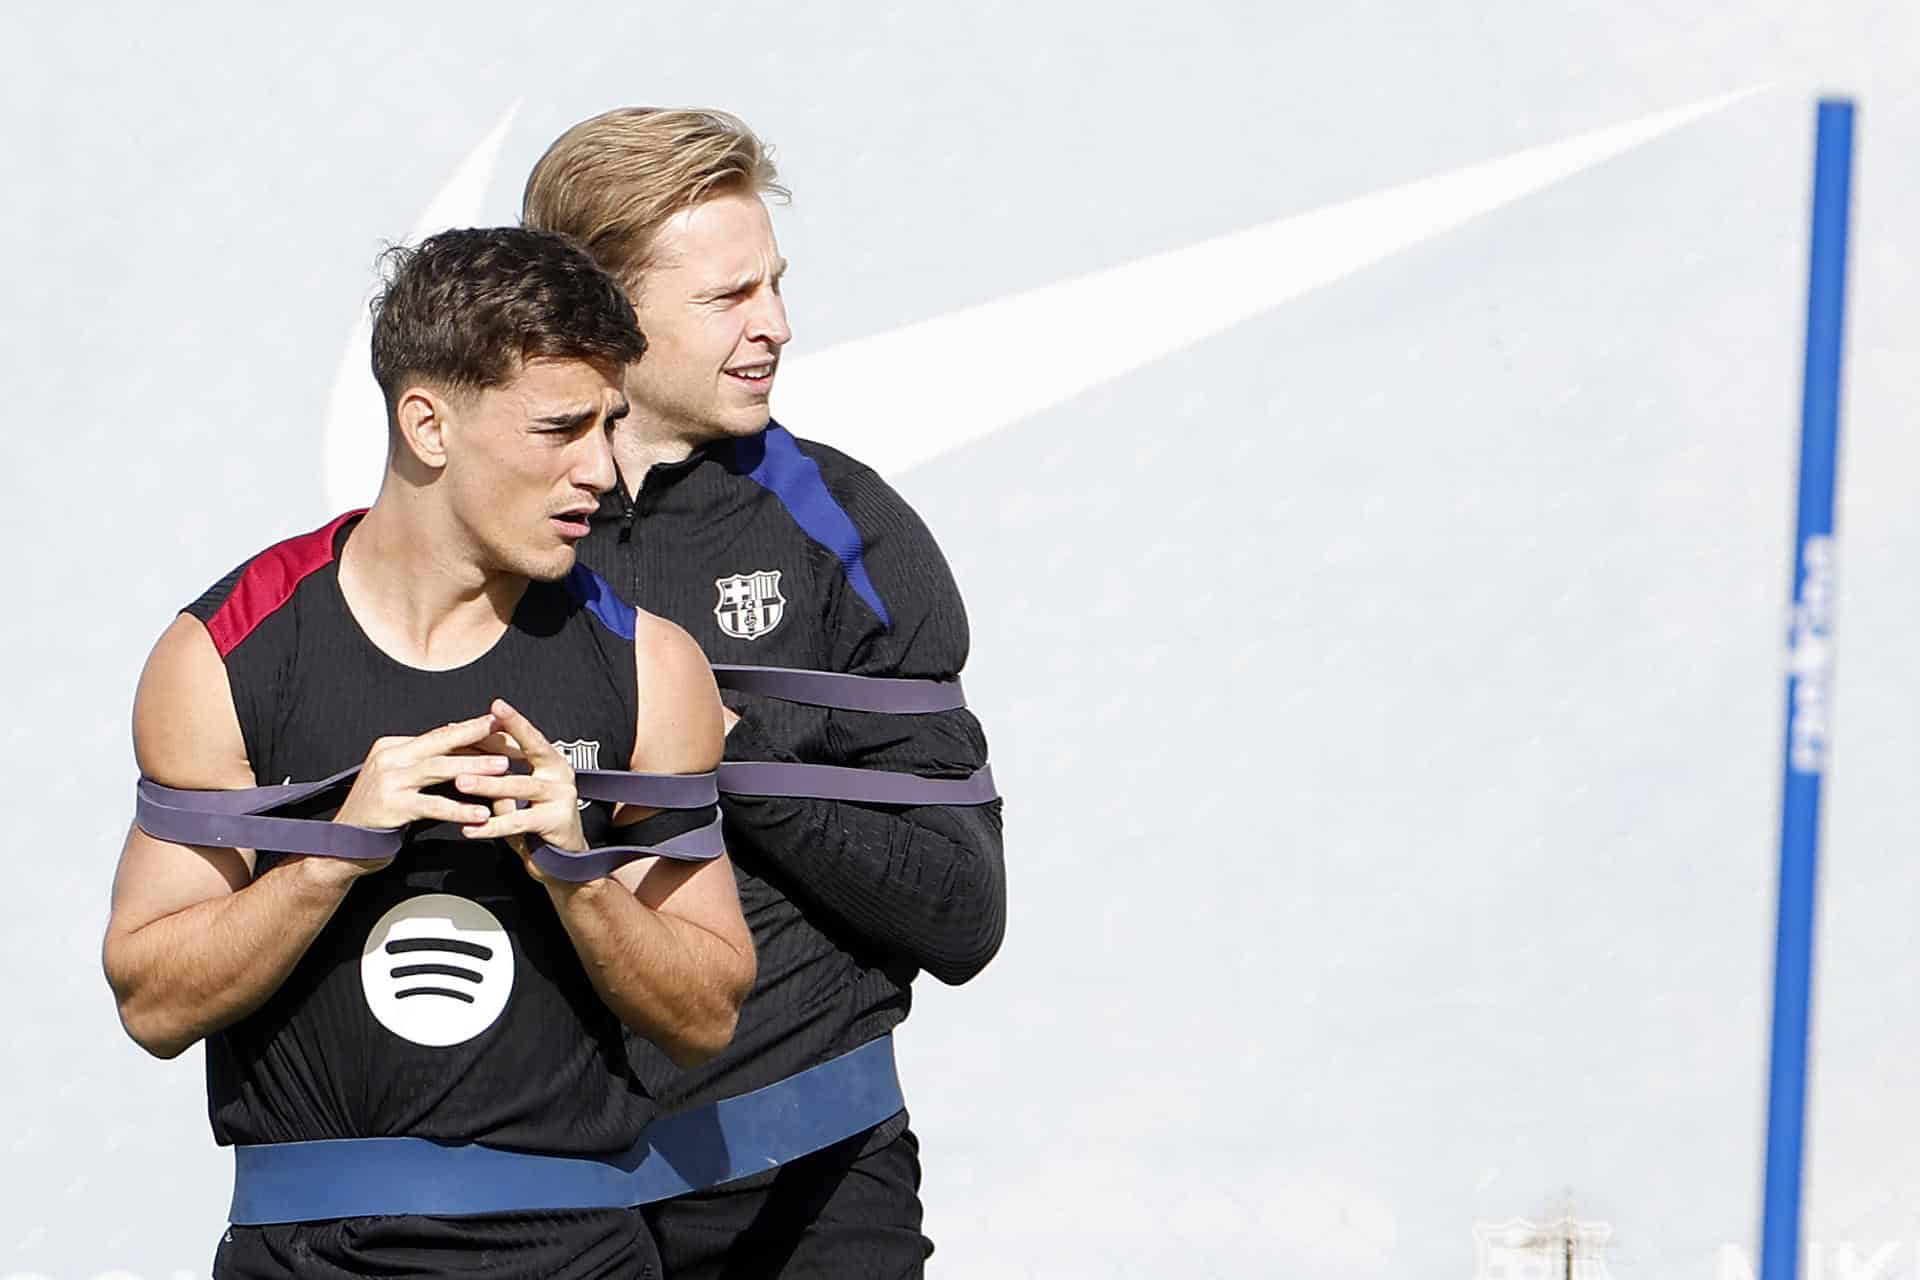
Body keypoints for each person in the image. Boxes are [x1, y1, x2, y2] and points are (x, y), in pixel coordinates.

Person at [101, 227, 756, 1280]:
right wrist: (330, 854)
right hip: (307, 1250)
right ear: (428, 422)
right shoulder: (224, 652)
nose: (602, 469)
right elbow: (152, 1003)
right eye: (561, 428)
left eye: (610, 426)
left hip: (578, 1250)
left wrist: (576, 873)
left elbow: (707, 1012)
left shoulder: (653, 667)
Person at [523, 108, 1006, 1277]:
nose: (777, 326)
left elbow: (962, 912)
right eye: (730, 297)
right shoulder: (471, 543)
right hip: (530, 1200)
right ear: (603, 312)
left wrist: (731, 752)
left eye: (774, 285)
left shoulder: (846, 533)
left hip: (809, 1186)